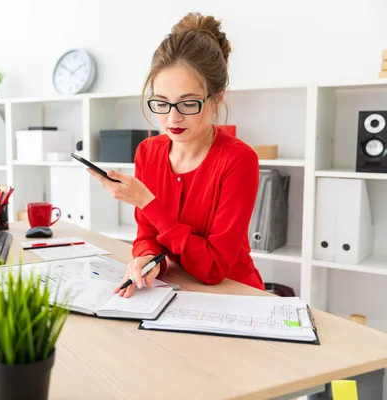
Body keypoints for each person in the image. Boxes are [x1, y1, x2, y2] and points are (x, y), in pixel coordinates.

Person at [88, 12, 264, 297]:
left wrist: (146, 200)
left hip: (235, 293)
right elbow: (147, 234)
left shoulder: (238, 160)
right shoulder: (148, 151)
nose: (172, 119)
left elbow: (213, 268)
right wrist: (148, 258)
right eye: (161, 103)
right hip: (178, 289)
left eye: (188, 103)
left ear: (217, 98)